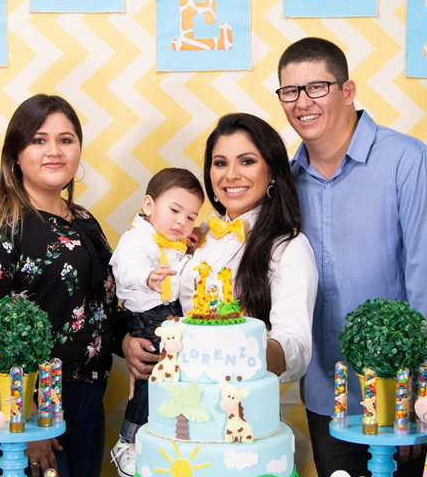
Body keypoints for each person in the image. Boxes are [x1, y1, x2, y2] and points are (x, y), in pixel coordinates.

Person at [275, 37, 427, 477]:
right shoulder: (286, 181)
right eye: (290, 91)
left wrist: (417, 393)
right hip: (329, 398)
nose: (302, 102)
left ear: (348, 91)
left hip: (406, 398)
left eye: (317, 87)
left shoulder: (408, 162)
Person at [0, 94, 118, 477]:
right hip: (21, 411)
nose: (54, 151)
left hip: (83, 399)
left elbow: (98, 303)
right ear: (16, 154)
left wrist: (129, 340)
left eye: (66, 140)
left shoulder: (82, 219)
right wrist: (24, 422)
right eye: (39, 140)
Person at [123, 113, 318, 388]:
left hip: (239, 399)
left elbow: (295, 348)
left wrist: (231, 354)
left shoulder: (288, 246)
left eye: (247, 161)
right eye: (220, 163)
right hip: (175, 391)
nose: (231, 175)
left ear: (272, 172)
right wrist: (130, 340)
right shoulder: (192, 235)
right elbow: (150, 294)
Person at [107, 169, 205, 477]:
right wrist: (147, 277)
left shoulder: (172, 241)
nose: (181, 221)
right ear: (148, 205)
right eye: (175, 210)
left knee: (173, 383)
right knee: (150, 382)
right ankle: (128, 441)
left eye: (190, 217)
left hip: (171, 315)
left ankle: (168, 435)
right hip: (148, 320)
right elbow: (128, 266)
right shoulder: (138, 238)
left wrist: (189, 250)